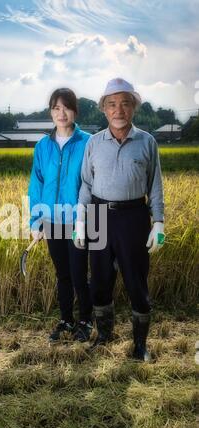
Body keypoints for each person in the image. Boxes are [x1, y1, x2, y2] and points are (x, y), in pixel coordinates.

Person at [77, 78, 165, 361]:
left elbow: (155, 185)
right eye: (112, 104)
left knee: (136, 282)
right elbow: (86, 185)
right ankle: (104, 335)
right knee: (100, 281)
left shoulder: (147, 142)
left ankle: (140, 344)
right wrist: (81, 221)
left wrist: (159, 223)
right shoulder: (93, 143)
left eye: (125, 103)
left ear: (134, 108)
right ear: (104, 109)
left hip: (134, 217)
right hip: (99, 215)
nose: (119, 110)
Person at [28, 88, 93, 342]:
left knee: (79, 273)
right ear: (51, 112)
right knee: (62, 274)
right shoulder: (43, 146)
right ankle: (66, 320)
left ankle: (86, 320)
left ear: (75, 111)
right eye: (56, 108)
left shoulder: (88, 142)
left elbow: (92, 182)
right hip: (52, 220)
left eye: (66, 107)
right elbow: (36, 184)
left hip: (81, 220)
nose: (61, 113)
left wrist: (85, 219)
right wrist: (35, 220)